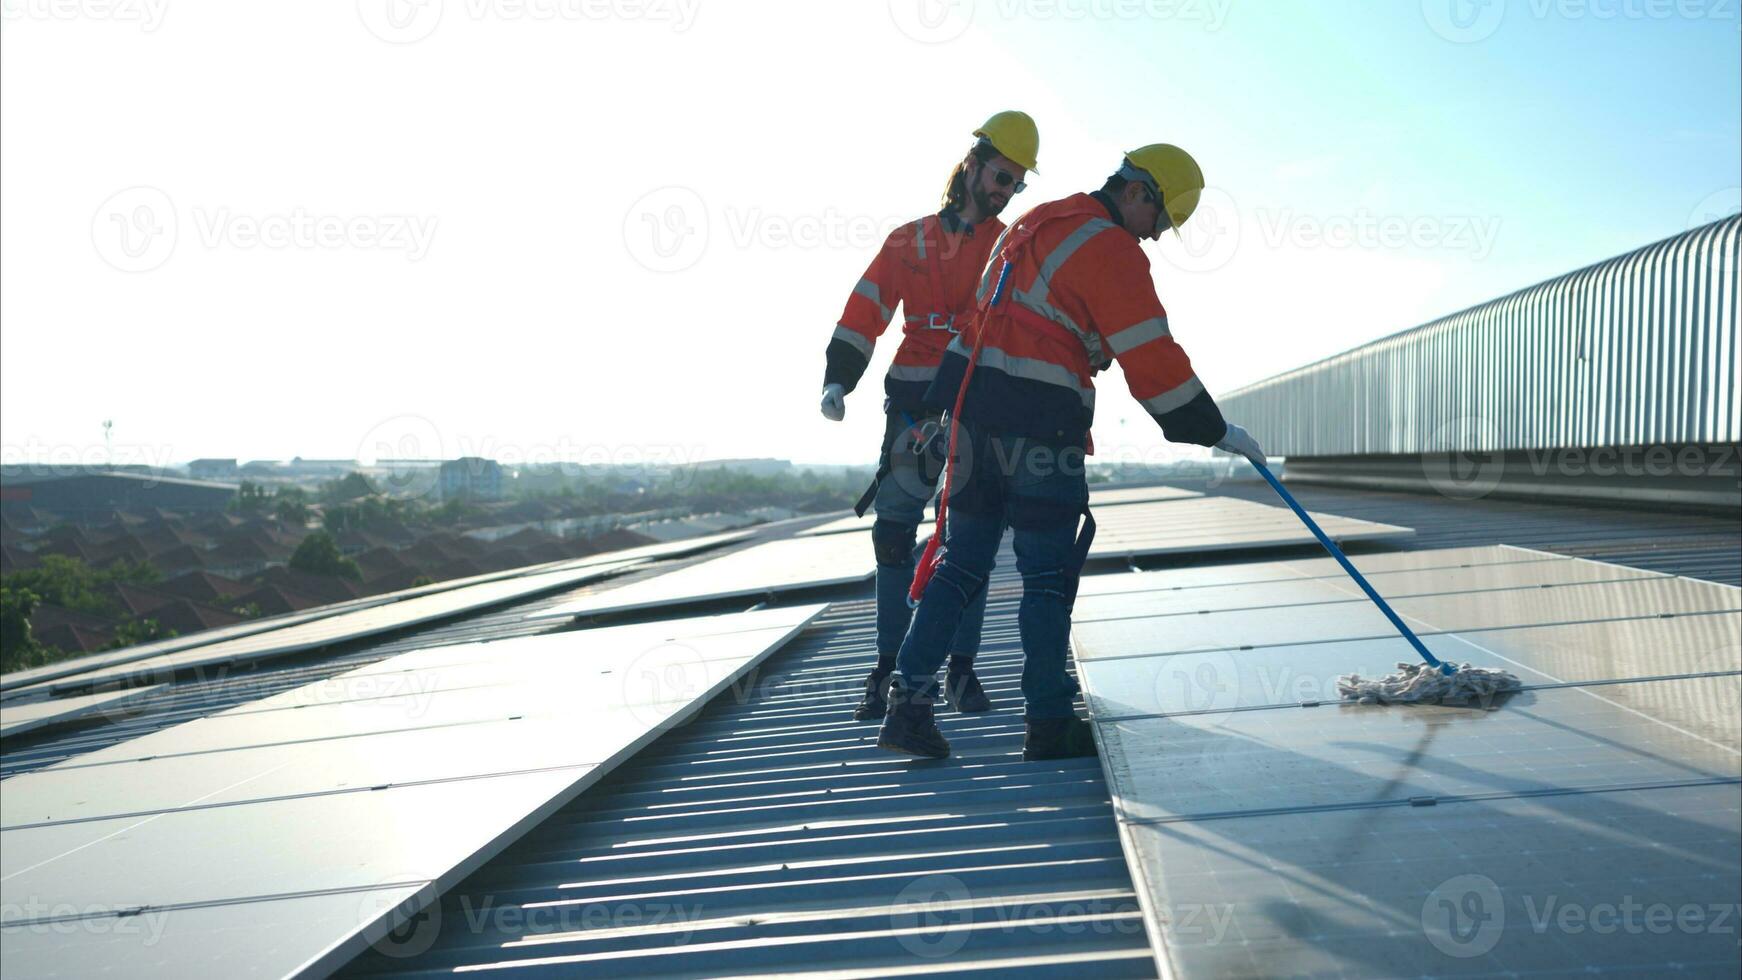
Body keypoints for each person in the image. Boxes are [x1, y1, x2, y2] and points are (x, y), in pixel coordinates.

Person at [876, 143, 1267, 761]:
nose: (1156, 237)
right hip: (1040, 428)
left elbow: (983, 320)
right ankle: (1049, 724)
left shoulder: (1038, 222)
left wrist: (942, 409)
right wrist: (1212, 428)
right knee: (1046, 577)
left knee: (960, 566)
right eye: (1160, 222)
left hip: (974, 421)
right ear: (1139, 194)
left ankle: (909, 709)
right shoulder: (1110, 248)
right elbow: (1151, 355)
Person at [819, 111, 1042, 722]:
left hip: (977, 404)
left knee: (967, 539)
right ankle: (889, 670)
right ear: (972, 164)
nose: (1005, 191)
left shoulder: (1010, 246)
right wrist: (839, 378)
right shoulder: (907, 241)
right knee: (893, 535)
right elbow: (866, 309)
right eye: (1001, 176)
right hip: (913, 406)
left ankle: (961, 672)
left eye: (1016, 185)